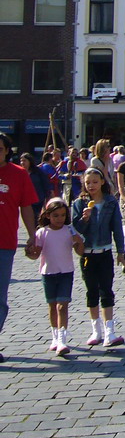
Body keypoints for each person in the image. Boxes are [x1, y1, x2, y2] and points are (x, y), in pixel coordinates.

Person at [72, 167, 125, 347]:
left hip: (104, 252)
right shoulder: (79, 203)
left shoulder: (110, 202)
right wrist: (84, 219)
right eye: (88, 183)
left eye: (95, 182)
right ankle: (96, 330)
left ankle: (109, 331)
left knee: (106, 290)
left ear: (102, 182)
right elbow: (75, 230)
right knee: (91, 292)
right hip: (87, 254)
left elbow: (117, 229)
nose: (91, 186)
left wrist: (121, 251)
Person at [28, 197, 85, 355]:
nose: (59, 219)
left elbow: (80, 252)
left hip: (66, 272)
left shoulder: (69, 230)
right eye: (56, 216)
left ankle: (62, 339)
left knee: (62, 305)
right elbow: (36, 255)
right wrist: (29, 252)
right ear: (48, 216)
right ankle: (54, 336)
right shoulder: (42, 232)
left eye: (62, 215)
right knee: (52, 306)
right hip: (48, 273)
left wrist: (79, 242)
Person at [0, 133, 38, 362]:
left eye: (0, 148)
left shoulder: (19, 174)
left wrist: (33, 235)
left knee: (0, 297)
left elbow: (26, 207)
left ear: (6, 150)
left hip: (5, 243)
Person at [20, 152, 51, 221]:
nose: (22, 163)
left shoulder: (38, 171)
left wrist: (47, 198)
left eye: (24, 161)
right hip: (26, 202)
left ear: (29, 161)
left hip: (38, 200)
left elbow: (46, 184)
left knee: (38, 220)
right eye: (21, 161)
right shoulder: (20, 173)